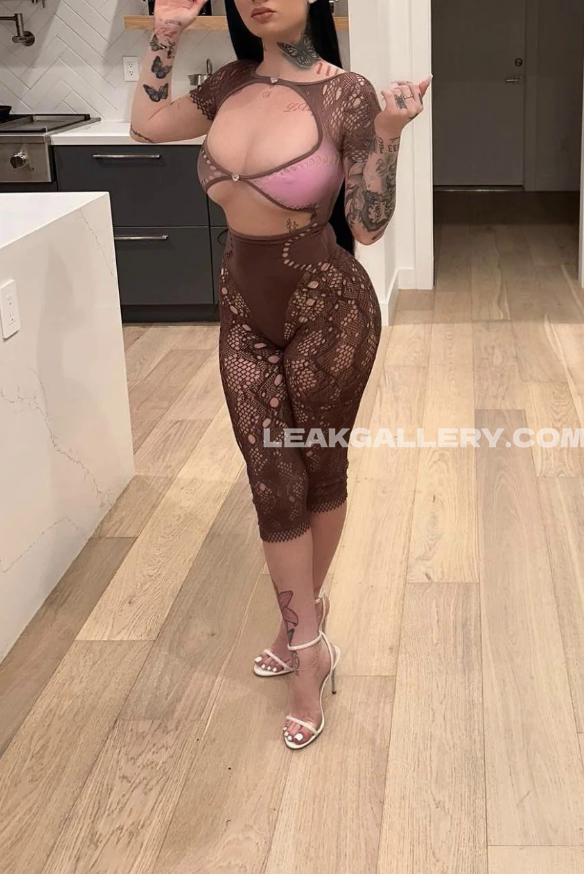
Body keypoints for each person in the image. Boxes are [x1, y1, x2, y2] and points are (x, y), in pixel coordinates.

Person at [130, 0, 430, 750]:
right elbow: (149, 125)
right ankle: (310, 634)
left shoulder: (346, 93)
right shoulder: (228, 84)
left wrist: (388, 135)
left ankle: (303, 646)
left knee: (317, 468)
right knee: (269, 476)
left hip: (329, 307)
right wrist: (165, 36)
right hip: (241, 305)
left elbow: (367, 226)